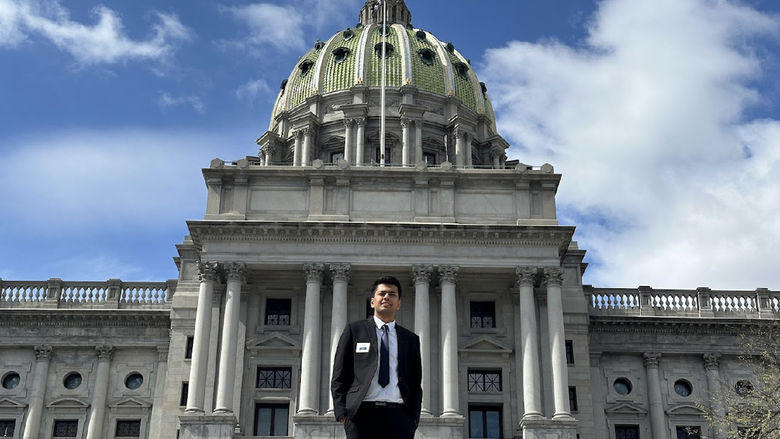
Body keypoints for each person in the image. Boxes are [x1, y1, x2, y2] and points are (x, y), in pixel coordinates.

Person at [331, 275, 422, 439]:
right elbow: (339, 375)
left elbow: (415, 382)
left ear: (399, 304)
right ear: (372, 301)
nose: (387, 297)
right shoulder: (354, 331)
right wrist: (343, 415)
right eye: (382, 293)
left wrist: (413, 419)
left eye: (392, 294)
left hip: (399, 417)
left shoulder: (410, 339)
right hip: (361, 416)